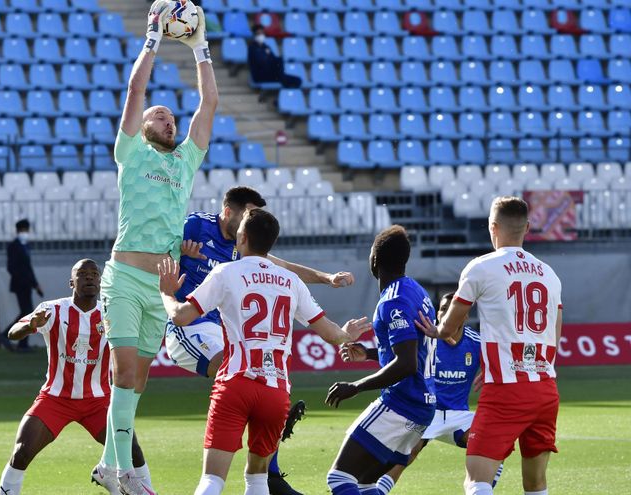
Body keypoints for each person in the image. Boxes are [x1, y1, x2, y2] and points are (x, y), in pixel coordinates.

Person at [158, 208, 371, 495]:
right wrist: (347, 334)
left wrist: (167, 294)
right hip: (276, 391)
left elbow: (181, 317)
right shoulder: (290, 281)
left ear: (242, 237)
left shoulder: (226, 272)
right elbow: (331, 335)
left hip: (235, 383)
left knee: (212, 480)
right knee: (257, 480)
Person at [95, 2, 218, 493]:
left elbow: (207, 106)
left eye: (170, 117)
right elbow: (135, 90)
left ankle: (109, 465)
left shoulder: (185, 162)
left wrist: (198, 47)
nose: (167, 120)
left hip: (161, 286)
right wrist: (153, 37)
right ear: (143, 128)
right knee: (124, 373)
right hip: (124, 277)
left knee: (137, 383)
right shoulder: (129, 152)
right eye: (159, 117)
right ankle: (124, 475)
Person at [417, 196, 563, 495]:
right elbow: (554, 336)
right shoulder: (550, 274)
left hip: (506, 390)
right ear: (527, 227)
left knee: (477, 480)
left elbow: (450, 325)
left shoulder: (481, 267)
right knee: (535, 483)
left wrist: (434, 331)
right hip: (546, 387)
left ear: (492, 227)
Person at [0, 259, 151, 495]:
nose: (89, 277)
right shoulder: (52, 309)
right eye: (82, 274)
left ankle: (147, 489)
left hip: (98, 401)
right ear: (71, 281)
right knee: (21, 451)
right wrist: (30, 326)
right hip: (55, 399)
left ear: (101, 281)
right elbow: (12, 333)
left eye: (94, 274)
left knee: (131, 449)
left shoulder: (111, 313)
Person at [341, 292, 503, 494]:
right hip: (427, 411)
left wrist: (492, 369)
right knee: (407, 454)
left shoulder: (477, 342)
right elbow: (400, 357)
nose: (446, 314)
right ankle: (378, 491)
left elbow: (501, 359)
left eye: (452, 310)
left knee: (493, 445)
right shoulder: (427, 338)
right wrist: (367, 354)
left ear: (465, 316)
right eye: (443, 309)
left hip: (458, 415)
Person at [323, 225, 437, 495]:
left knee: (339, 479)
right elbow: (413, 352)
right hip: (422, 406)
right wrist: (372, 354)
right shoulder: (417, 292)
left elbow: (407, 364)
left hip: (401, 404)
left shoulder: (393, 301)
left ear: (374, 260)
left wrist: (356, 386)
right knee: (366, 485)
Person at [5, 218, 44, 352]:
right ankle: (12, 338)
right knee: (27, 312)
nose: (25, 232)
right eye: (23, 230)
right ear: (19, 230)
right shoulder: (14, 246)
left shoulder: (25, 246)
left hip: (27, 284)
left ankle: (16, 339)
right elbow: (11, 267)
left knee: (26, 312)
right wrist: (24, 280)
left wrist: (35, 284)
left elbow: (28, 267)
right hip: (20, 284)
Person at [247, 25, 302, 89]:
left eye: (262, 33)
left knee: (297, 80)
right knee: (288, 80)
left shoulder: (266, 47)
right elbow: (259, 62)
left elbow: (273, 59)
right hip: (260, 76)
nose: (261, 36)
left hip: (271, 74)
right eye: (258, 34)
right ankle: (282, 80)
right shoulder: (252, 48)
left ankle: (282, 80)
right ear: (254, 35)